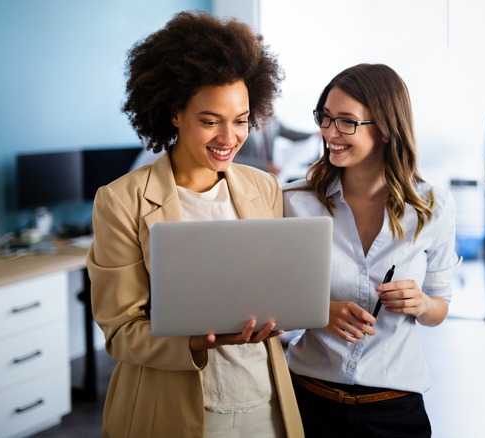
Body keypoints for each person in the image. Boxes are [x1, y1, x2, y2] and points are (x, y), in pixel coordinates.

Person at [86, 11, 303, 437]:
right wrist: (193, 342)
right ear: (174, 113)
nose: (229, 138)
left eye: (240, 120)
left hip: (264, 399)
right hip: (178, 405)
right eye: (210, 121)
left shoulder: (264, 188)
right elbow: (120, 331)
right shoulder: (120, 200)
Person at [282, 63, 462, 437]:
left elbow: (439, 307)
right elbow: (266, 299)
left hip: (395, 407)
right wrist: (320, 312)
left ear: (385, 128)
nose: (330, 132)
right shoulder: (294, 202)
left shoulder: (432, 207)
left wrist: (422, 304)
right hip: (308, 402)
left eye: (347, 121)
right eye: (325, 118)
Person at [234, 117, 316, 176]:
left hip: (268, 176)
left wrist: (313, 135)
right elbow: (233, 159)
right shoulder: (240, 121)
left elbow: (289, 133)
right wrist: (264, 166)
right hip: (246, 176)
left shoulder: (271, 117)